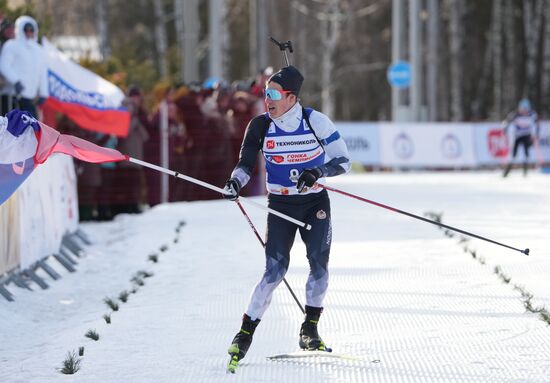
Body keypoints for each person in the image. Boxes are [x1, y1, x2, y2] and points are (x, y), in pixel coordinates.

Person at [222, 65, 351, 367]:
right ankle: (244, 334)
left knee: (318, 264)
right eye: (265, 93)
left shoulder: (314, 121)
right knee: (274, 271)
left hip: (313, 203)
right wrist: (234, 184)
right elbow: (244, 165)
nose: (267, 99)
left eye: (274, 94)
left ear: (291, 97)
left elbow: (343, 160)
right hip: (280, 205)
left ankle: (310, 330)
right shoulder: (260, 125)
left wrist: (318, 172)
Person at [0, 15, 48, 118]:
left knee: (31, 130)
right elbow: (3, 65)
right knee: (10, 130)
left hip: (30, 99)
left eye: (31, 30)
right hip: (13, 96)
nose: (29, 32)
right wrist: (16, 81)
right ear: (20, 29)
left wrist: (44, 92)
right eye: (26, 29)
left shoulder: (39, 50)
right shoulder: (11, 45)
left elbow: (43, 72)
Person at [502, 98, 539, 177]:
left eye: (526, 109)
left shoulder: (532, 115)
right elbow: (506, 124)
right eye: (523, 109)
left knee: (526, 153)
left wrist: (535, 134)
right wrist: (506, 132)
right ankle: (507, 171)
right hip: (517, 136)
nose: (524, 111)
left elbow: (536, 125)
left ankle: (525, 171)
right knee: (513, 154)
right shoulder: (515, 115)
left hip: (526, 135)